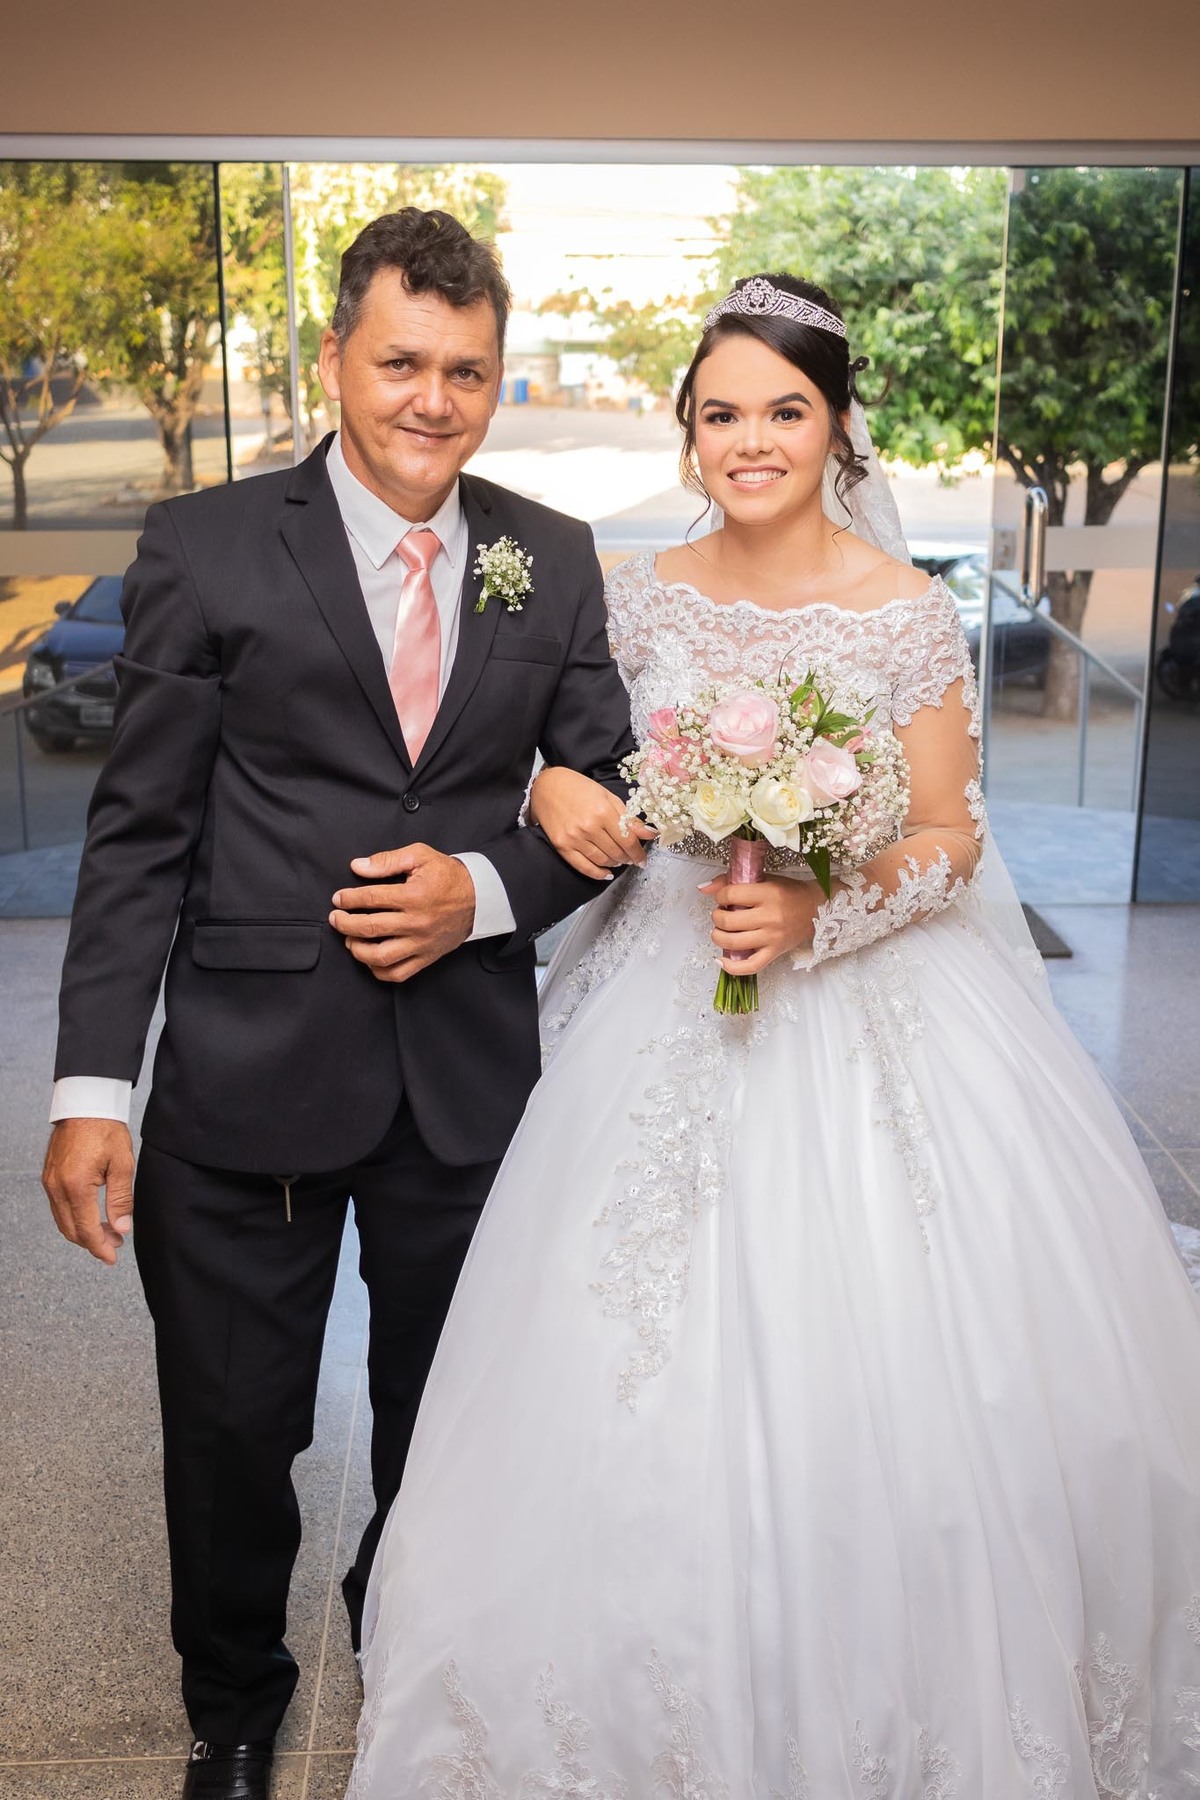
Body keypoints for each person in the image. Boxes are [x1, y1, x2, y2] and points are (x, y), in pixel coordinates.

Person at [348, 274, 1200, 1797]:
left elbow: (947, 832)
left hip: (871, 1009)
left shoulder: (906, 612)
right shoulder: (623, 590)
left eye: (784, 411)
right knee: (610, 1357)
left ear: (836, 426)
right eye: (721, 412)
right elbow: (537, 753)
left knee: (920, 1375)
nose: (752, 440)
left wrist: (824, 908)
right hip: (653, 990)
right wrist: (548, 789)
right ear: (688, 433)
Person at [40, 207, 637, 1800]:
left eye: (468, 370)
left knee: (449, 1413)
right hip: (244, 1072)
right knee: (232, 1431)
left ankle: (409, 1638)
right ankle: (231, 1712)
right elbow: (140, 831)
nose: (434, 400)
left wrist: (487, 889)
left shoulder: (550, 553)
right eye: (401, 363)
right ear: (336, 359)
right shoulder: (207, 544)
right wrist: (94, 1091)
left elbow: (610, 798)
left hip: (465, 1079)